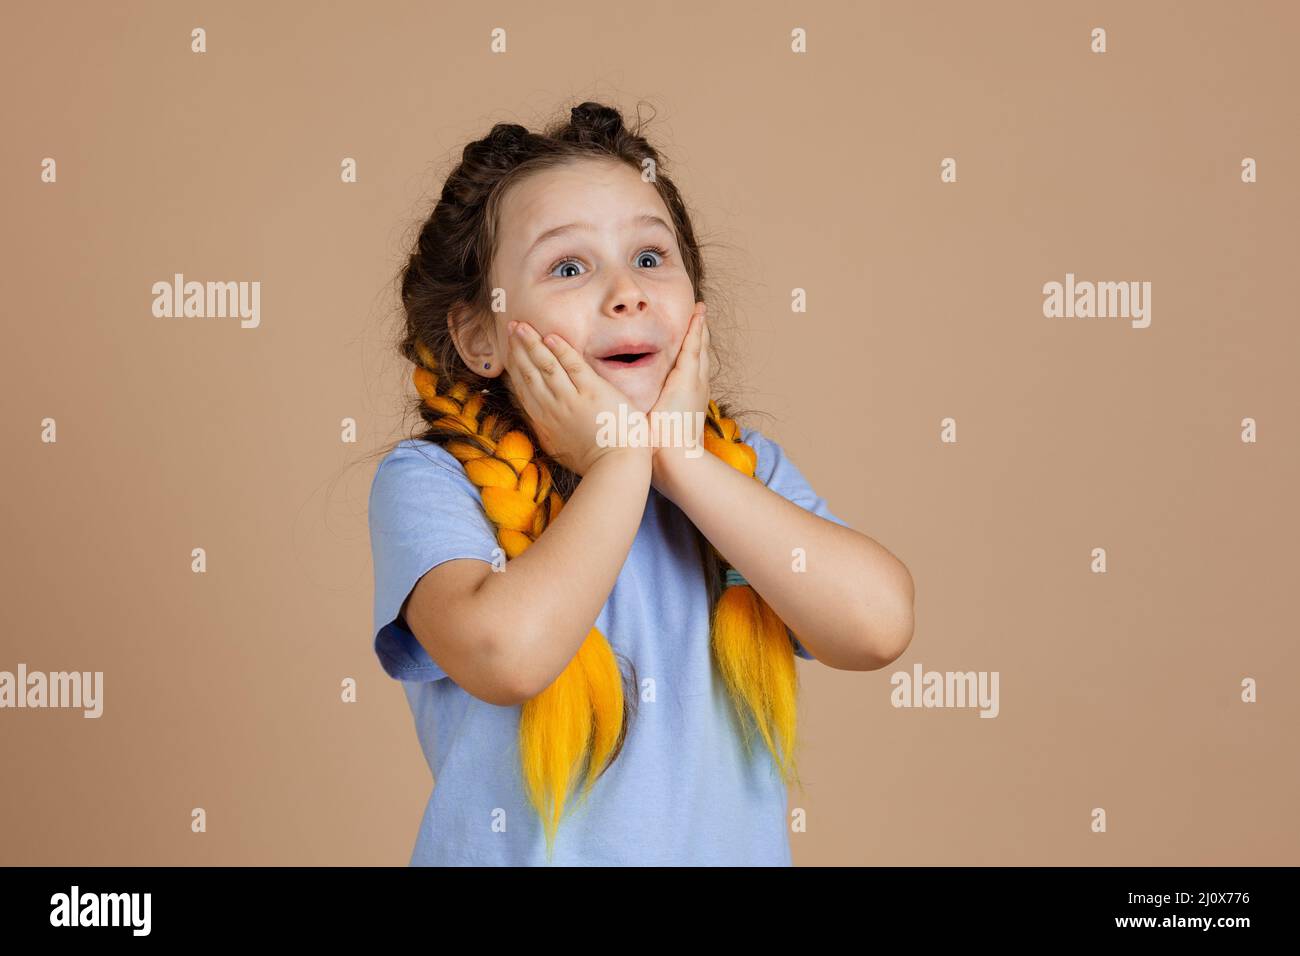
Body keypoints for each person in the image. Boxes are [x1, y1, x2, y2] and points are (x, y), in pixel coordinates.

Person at [369, 101, 915, 866]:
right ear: (479, 335)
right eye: (568, 266)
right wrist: (621, 462)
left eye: (651, 259)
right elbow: (508, 655)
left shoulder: (737, 475)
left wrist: (681, 463)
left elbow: (876, 626)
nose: (626, 292)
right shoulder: (433, 481)